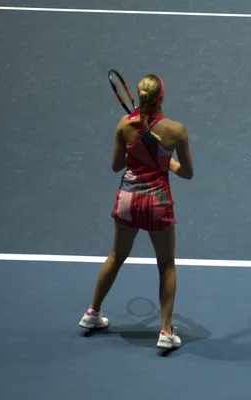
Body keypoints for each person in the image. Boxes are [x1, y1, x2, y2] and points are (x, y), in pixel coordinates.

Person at [78, 74, 194, 350]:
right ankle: (166, 332)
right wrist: (168, 162)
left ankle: (92, 313)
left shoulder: (124, 125)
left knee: (117, 255)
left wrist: (136, 152)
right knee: (166, 264)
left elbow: (117, 166)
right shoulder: (176, 130)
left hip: (129, 200)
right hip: (156, 203)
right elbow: (187, 173)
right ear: (161, 98)